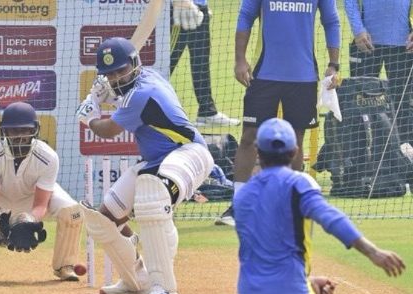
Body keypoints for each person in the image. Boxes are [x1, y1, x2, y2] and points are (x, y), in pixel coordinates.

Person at [233, 118, 406, 294]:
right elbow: (330, 218)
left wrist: (307, 279)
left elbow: (262, 251)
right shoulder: (298, 183)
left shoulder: (243, 196)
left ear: (258, 152)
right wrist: (373, 252)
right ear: (294, 152)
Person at [76, 37, 214, 294]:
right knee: (105, 218)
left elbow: (108, 130)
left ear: (135, 64)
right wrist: (108, 97)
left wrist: (89, 115)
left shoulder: (142, 93)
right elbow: (123, 100)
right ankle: (135, 280)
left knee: (152, 195)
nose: (116, 78)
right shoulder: (143, 80)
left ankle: (164, 287)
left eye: (121, 70)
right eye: (110, 74)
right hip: (157, 161)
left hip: (189, 153)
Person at [215, 0, 341, 226]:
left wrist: (334, 65)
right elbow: (245, 16)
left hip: (303, 77)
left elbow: (331, 21)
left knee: (295, 141)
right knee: (249, 137)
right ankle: (240, 206)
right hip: (264, 75)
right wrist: (240, 60)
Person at [0, 101, 84, 281]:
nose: (19, 136)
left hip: (31, 198)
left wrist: (29, 221)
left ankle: (64, 266)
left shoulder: (48, 157)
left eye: (25, 130)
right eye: (13, 131)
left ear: (34, 130)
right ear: (3, 131)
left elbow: (41, 204)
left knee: (72, 212)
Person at [345, 0, 413, 144]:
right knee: (361, 105)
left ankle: (405, 161)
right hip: (364, 42)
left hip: (405, 45)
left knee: (404, 106)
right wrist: (358, 30)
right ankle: (363, 161)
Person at [170, 0, 240, 127]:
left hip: (199, 10)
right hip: (179, 9)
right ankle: (145, 107)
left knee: (201, 63)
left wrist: (203, 5)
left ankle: (207, 112)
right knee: (166, 65)